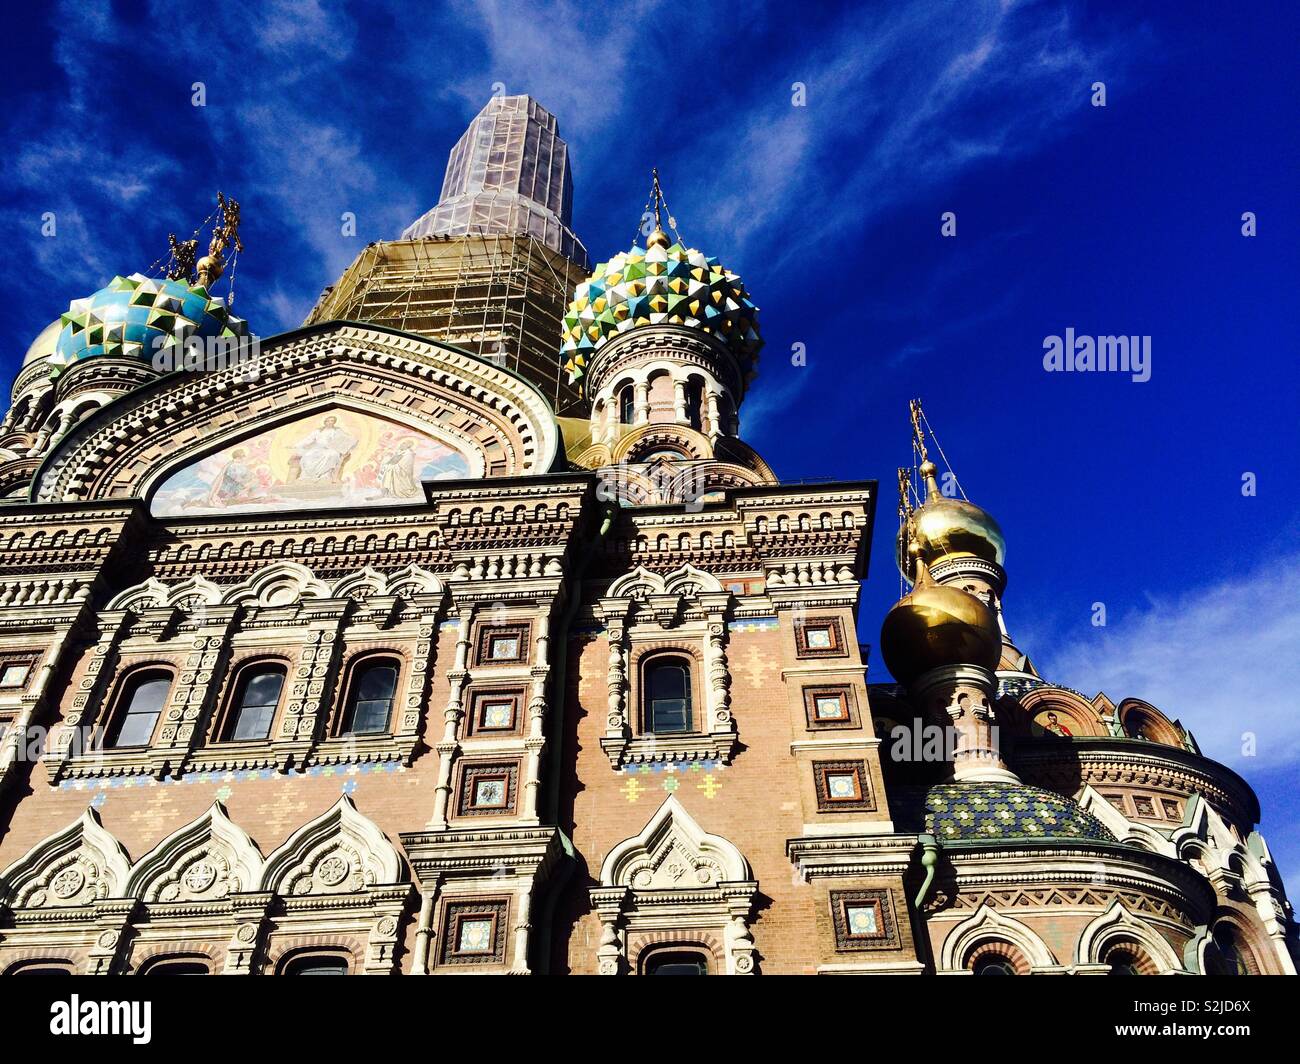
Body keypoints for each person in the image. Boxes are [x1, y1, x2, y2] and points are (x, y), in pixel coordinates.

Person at [290, 416, 357, 483]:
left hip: (331, 449)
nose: (330, 422)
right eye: (329, 421)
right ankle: (306, 476)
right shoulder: (318, 431)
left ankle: (325, 475)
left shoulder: (337, 430)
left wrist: (349, 444)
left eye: (332, 421)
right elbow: (308, 439)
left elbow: (344, 439)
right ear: (325, 422)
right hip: (317, 449)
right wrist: (296, 445)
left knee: (333, 455)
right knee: (307, 456)